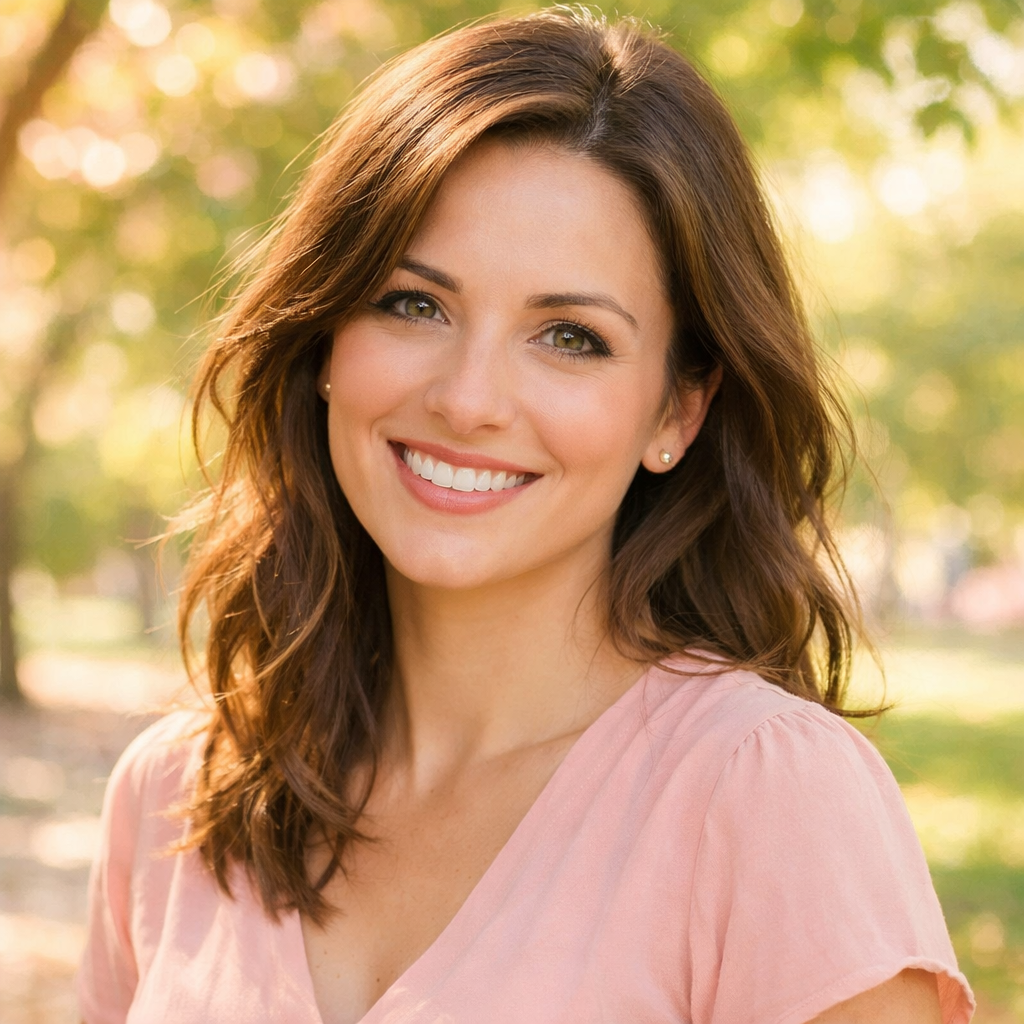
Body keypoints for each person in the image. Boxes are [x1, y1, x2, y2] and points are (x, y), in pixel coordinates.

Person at [77, 8, 974, 1024]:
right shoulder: (173, 795)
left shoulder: (766, 803)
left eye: (569, 335)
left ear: (679, 407)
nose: (468, 399)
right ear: (326, 338)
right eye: (414, 304)